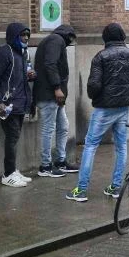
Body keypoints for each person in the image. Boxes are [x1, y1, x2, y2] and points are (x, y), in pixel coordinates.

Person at [67, 23, 129, 202]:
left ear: (105, 38)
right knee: (121, 146)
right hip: (123, 106)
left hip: (104, 108)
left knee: (91, 145)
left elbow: (94, 85)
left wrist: (92, 96)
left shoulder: (101, 57)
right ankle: (116, 187)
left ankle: (81, 189)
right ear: (122, 36)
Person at [0, 23, 36, 187]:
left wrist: (31, 75)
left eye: (27, 35)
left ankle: (13, 170)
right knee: (12, 139)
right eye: (22, 35)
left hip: (20, 103)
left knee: (14, 138)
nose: (26, 38)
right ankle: (8, 174)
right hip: (8, 106)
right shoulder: (4, 52)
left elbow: (24, 76)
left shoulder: (23, 53)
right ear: (14, 36)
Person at [34, 24, 78, 178]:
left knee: (63, 127)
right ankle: (45, 166)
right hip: (50, 94)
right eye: (71, 37)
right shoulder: (56, 40)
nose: (71, 41)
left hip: (54, 96)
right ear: (67, 34)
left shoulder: (54, 40)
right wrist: (57, 87)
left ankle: (60, 161)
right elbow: (50, 64)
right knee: (49, 129)